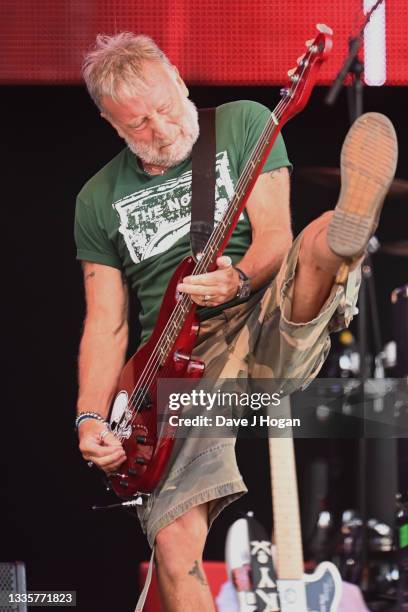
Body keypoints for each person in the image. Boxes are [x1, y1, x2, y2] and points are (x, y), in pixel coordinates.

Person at [74, 32, 398, 611]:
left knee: (316, 239)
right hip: (179, 364)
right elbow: (106, 324)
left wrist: (239, 279)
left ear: (178, 75)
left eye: (167, 107)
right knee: (174, 545)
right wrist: (90, 417)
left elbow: (273, 235)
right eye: (140, 124)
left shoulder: (242, 124)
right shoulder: (97, 198)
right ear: (109, 121)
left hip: (264, 303)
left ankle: (352, 221)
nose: (163, 128)